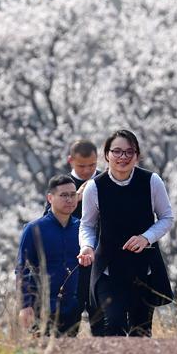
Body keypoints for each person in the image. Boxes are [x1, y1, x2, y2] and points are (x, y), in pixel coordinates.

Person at [77, 129, 174, 337]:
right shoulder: (94, 187)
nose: (123, 157)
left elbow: (167, 218)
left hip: (143, 267)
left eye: (129, 152)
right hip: (108, 269)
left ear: (137, 155)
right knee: (114, 323)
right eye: (117, 152)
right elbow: (87, 225)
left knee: (141, 329)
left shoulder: (151, 181)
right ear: (107, 155)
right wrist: (86, 246)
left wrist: (146, 237)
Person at [16, 175, 85, 336]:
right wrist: (25, 305)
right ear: (50, 198)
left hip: (73, 306)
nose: (69, 200)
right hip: (41, 306)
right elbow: (22, 269)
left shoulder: (82, 229)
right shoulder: (34, 229)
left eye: (73, 194)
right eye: (63, 195)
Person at [52, 139, 105, 335]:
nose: (87, 170)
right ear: (70, 161)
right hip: (70, 263)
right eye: (81, 166)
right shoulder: (61, 185)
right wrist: (77, 198)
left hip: (100, 261)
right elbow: (50, 221)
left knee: (102, 320)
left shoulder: (104, 181)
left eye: (92, 165)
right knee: (67, 322)